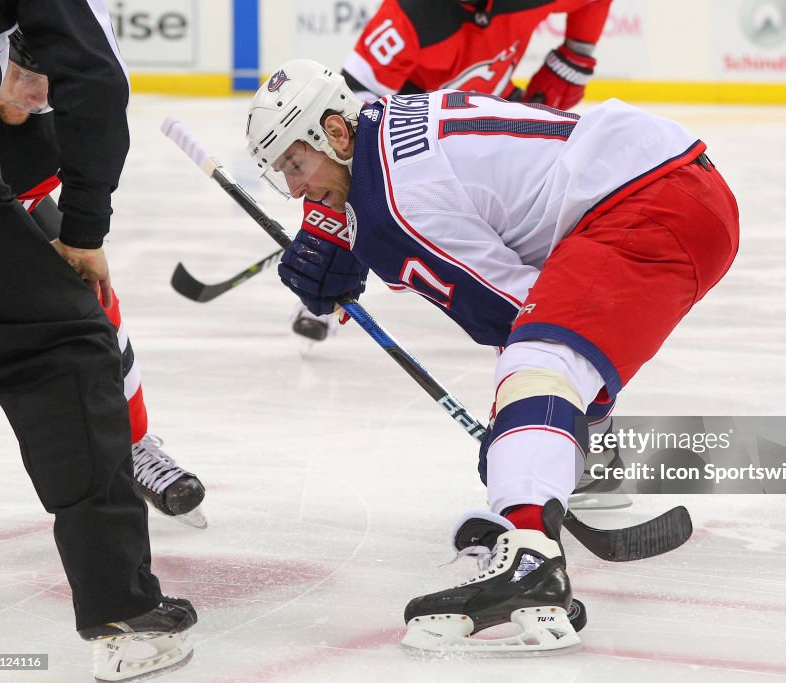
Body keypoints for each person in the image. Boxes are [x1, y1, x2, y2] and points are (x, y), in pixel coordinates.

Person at [251, 60, 739, 652]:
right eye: (284, 174)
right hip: (665, 184)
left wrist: (521, 436)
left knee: (542, 359)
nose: (296, 187)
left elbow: (512, 311)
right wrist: (343, 232)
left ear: (333, 131)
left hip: (651, 205)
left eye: (296, 165)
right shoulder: (383, 127)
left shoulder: (395, 204)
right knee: (549, 355)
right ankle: (575, 472)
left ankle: (531, 552)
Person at [0, 4, 195, 680]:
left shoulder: (29, 132)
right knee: (62, 347)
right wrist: (87, 230)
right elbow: (95, 77)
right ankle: (122, 610)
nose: (38, 98)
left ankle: (138, 440)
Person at [0, 30, 208, 529]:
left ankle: (134, 442)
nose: (38, 98)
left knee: (93, 296)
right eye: (23, 78)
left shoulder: (56, 120)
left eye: (48, 83)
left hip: (14, 207)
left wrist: (84, 242)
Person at [290, 0, 613, 345]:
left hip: (483, 127)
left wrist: (576, 53)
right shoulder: (407, 15)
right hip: (407, 138)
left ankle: (529, 329)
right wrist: (329, 225)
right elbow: (345, 120)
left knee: (513, 226)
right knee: (375, 202)